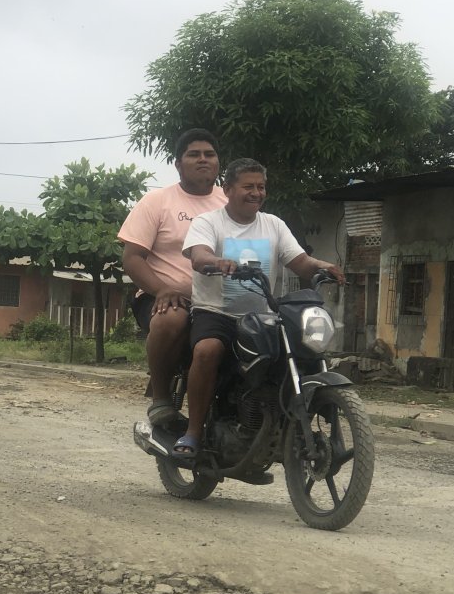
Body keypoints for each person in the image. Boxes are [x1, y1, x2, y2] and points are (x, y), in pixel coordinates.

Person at [175, 158, 346, 458]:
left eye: (261, 187)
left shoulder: (274, 224)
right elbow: (199, 256)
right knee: (207, 351)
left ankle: (278, 423)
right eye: (248, 186)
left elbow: (300, 262)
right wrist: (217, 262)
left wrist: (322, 266)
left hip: (262, 317)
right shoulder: (208, 222)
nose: (256, 192)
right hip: (216, 313)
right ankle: (193, 432)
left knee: (297, 353)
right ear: (227, 189)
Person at [118, 129, 228, 426]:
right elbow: (132, 258)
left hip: (222, 299)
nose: (202, 159)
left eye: (209, 154)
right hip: (161, 296)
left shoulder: (231, 203)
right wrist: (163, 288)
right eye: (194, 154)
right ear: (178, 164)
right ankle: (162, 400)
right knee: (172, 318)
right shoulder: (156, 201)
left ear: (218, 163)